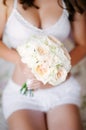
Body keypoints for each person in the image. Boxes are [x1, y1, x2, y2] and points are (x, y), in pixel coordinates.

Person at [0, 0, 86, 130]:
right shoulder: (7, 2)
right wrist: (21, 61)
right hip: (22, 95)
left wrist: (58, 67)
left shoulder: (73, 1)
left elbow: (83, 45)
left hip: (62, 91)